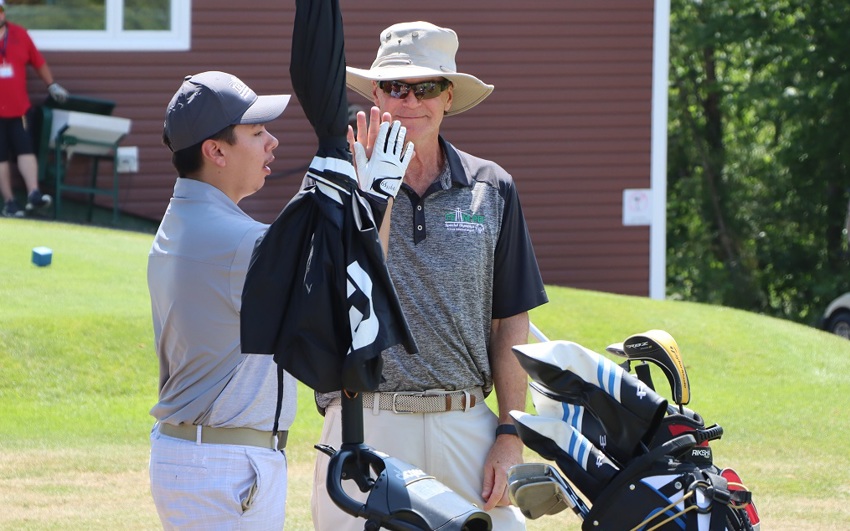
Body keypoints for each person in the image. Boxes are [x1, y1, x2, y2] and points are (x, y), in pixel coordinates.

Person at [311, 21, 549, 530]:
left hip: (466, 421)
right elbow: (339, 291)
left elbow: (511, 318)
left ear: (447, 97)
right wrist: (378, 192)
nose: (409, 101)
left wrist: (511, 433)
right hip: (363, 422)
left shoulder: (493, 187)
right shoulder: (336, 185)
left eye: (426, 87)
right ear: (375, 93)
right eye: (395, 87)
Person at [147, 71, 297, 530]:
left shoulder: (188, 220)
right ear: (215, 151)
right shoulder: (240, 241)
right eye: (256, 132)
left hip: (205, 456)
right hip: (223, 463)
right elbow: (342, 299)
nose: (272, 142)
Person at [0, 0, 68, 217]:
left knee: (26, 151)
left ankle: (34, 194)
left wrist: (52, 84)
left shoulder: (19, 34)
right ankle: (10, 202)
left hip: (19, 109)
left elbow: (38, 62)